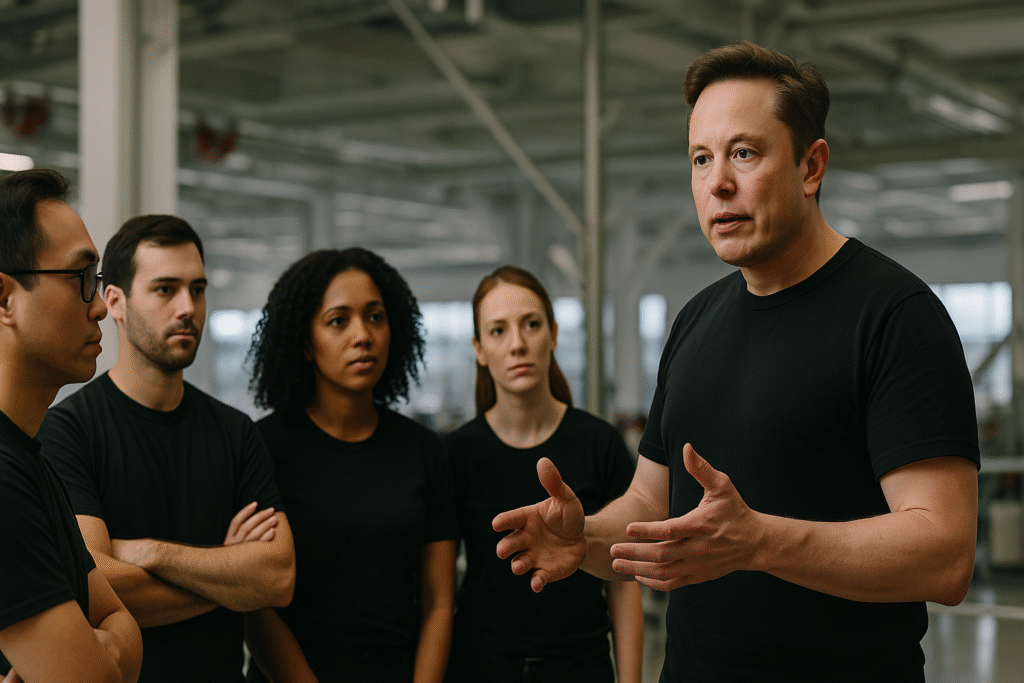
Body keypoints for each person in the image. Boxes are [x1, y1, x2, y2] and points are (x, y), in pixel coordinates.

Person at [492, 41, 980, 682]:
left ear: (812, 167)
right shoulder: (696, 321)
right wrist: (584, 539)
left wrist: (762, 542)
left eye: (744, 153)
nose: (717, 181)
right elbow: (651, 502)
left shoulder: (895, 316)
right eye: (701, 158)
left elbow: (943, 556)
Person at [38, 214, 295, 683]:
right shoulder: (67, 431)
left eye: (197, 289)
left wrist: (151, 553)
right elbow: (93, 585)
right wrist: (230, 576)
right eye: (165, 289)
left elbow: (277, 576)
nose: (188, 308)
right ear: (114, 301)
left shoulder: (236, 432)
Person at [245, 247, 457, 683]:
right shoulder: (261, 447)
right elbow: (254, 602)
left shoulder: (423, 450)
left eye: (375, 316)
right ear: (305, 341)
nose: (362, 335)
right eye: (338, 321)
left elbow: (438, 600)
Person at [444, 265, 643, 683]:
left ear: (552, 334)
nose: (517, 344)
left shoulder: (600, 444)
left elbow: (623, 584)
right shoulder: (455, 454)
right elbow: (439, 591)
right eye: (498, 331)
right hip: (481, 667)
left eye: (531, 325)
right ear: (479, 350)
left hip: (581, 667)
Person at [0, 168, 142, 682]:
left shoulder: (29, 462)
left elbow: (118, 622)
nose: (102, 306)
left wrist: (104, 649)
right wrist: (103, 654)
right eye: (82, 278)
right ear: (4, 299)